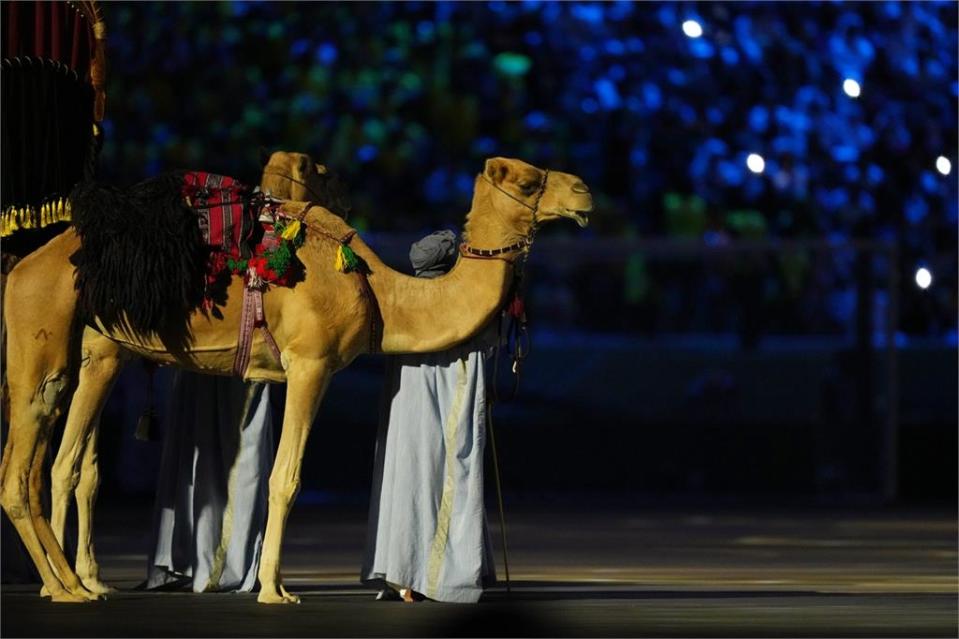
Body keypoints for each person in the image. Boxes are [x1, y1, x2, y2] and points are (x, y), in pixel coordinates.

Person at [362, 230, 497, 603]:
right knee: (444, 473)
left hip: (407, 410)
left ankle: (402, 569)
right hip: (435, 401)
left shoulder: (401, 302)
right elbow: (489, 341)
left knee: (409, 476)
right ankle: (429, 572)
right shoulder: (461, 304)